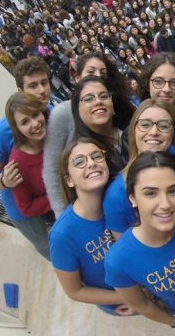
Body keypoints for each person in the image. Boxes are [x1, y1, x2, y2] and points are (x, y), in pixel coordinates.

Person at [104, 152, 175, 328]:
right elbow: (141, 304)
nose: (165, 204)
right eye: (151, 193)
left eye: (173, 191)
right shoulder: (118, 261)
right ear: (132, 198)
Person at [49, 139, 133, 315]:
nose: (92, 163)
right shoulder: (62, 234)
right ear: (69, 180)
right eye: (79, 162)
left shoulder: (121, 198)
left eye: (96, 156)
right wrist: (130, 298)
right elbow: (74, 291)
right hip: (120, 301)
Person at [44, 52, 132, 215]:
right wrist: (64, 215)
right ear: (77, 77)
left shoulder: (123, 121)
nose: (98, 76)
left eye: (103, 73)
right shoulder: (64, 115)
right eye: (91, 72)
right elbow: (52, 169)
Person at [103, 99, 175, 238]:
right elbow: (127, 251)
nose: (154, 131)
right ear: (133, 131)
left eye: (164, 125)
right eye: (145, 125)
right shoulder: (116, 195)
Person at [5, 93, 54, 259]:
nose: (35, 124)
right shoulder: (18, 164)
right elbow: (26, 207)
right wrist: (58, 192)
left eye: (35, 114)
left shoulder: (54, 133)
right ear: (17, 128)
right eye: (25, 122)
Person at [71, 76, 134, 177]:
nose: (98, 101)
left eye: (104, 96)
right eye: (88, 99)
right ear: (77, 110)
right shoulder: (81, 155)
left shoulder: (135, 130)